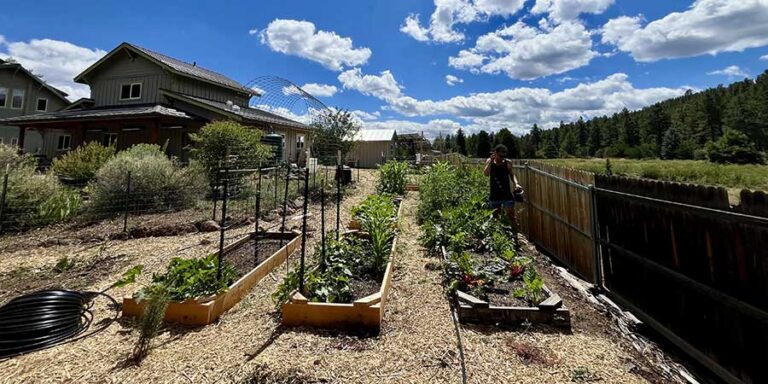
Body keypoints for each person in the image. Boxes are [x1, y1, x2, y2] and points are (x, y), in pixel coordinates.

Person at [483, 144, 521, 246]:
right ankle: (497, 240)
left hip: (507, 194)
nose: (502, 158)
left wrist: (516, 183)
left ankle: (515, 238)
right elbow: (486, 174)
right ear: (495, 154)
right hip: (494, 195)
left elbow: (512, 175)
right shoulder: (489, 162)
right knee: (495, 217)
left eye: (504, 156)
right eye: (500, 156)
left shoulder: (508, 163)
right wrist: (491, 161)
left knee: (511, 215)